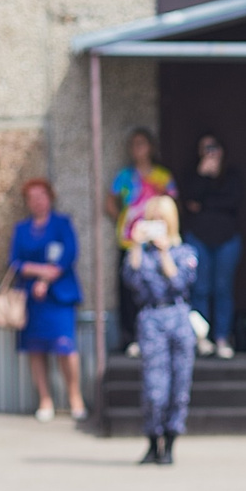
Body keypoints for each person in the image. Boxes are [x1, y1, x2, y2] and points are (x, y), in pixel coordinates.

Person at [122, 196, 199, 465]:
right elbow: (132, 281)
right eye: (151, 221)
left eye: (161, 221)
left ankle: (171, 441)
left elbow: (180, 284)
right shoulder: (141, 253)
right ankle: (153, 439)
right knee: (155, 387)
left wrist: (165, 252)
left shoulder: (185, 251)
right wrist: (135, 244)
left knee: (179, 386)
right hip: (151, 317)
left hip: (177, 316)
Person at [8, 177, 86, 421]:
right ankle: (45, 399)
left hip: (58, 295)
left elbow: (70, 253)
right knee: (36, 349)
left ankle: (75, 397)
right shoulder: (21, 229)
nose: (37, 202)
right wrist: (38, 272)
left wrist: (48, 278)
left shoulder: (62, 223)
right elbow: (14, 262)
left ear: (50, 197)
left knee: (65, 347)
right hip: (32, 298)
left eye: (41, 196)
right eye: (32, 198)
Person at [175, 134, 243, 359]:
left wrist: (205, 203)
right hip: (199, 238)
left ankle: (222, 337)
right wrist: (203, 177)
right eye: (205, 148)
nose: (210, 152)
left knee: (222, 289)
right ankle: (201, 338)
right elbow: (188, 201)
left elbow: (232, 202)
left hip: (226, 238)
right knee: (200, 289)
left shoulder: (231, 175)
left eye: (213, 147)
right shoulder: (193, 175)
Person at [106, 126, 173, 354]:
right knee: (128, 288)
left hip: (156, 242)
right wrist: (125, 221)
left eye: (142, 143)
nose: (138, 149)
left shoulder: (162, 176)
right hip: (130, 240)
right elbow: (110, 201)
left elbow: (173, 204)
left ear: (151, 147)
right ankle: (131, 336)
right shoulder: (125, 176)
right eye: (134, 144)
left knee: (155, 287)